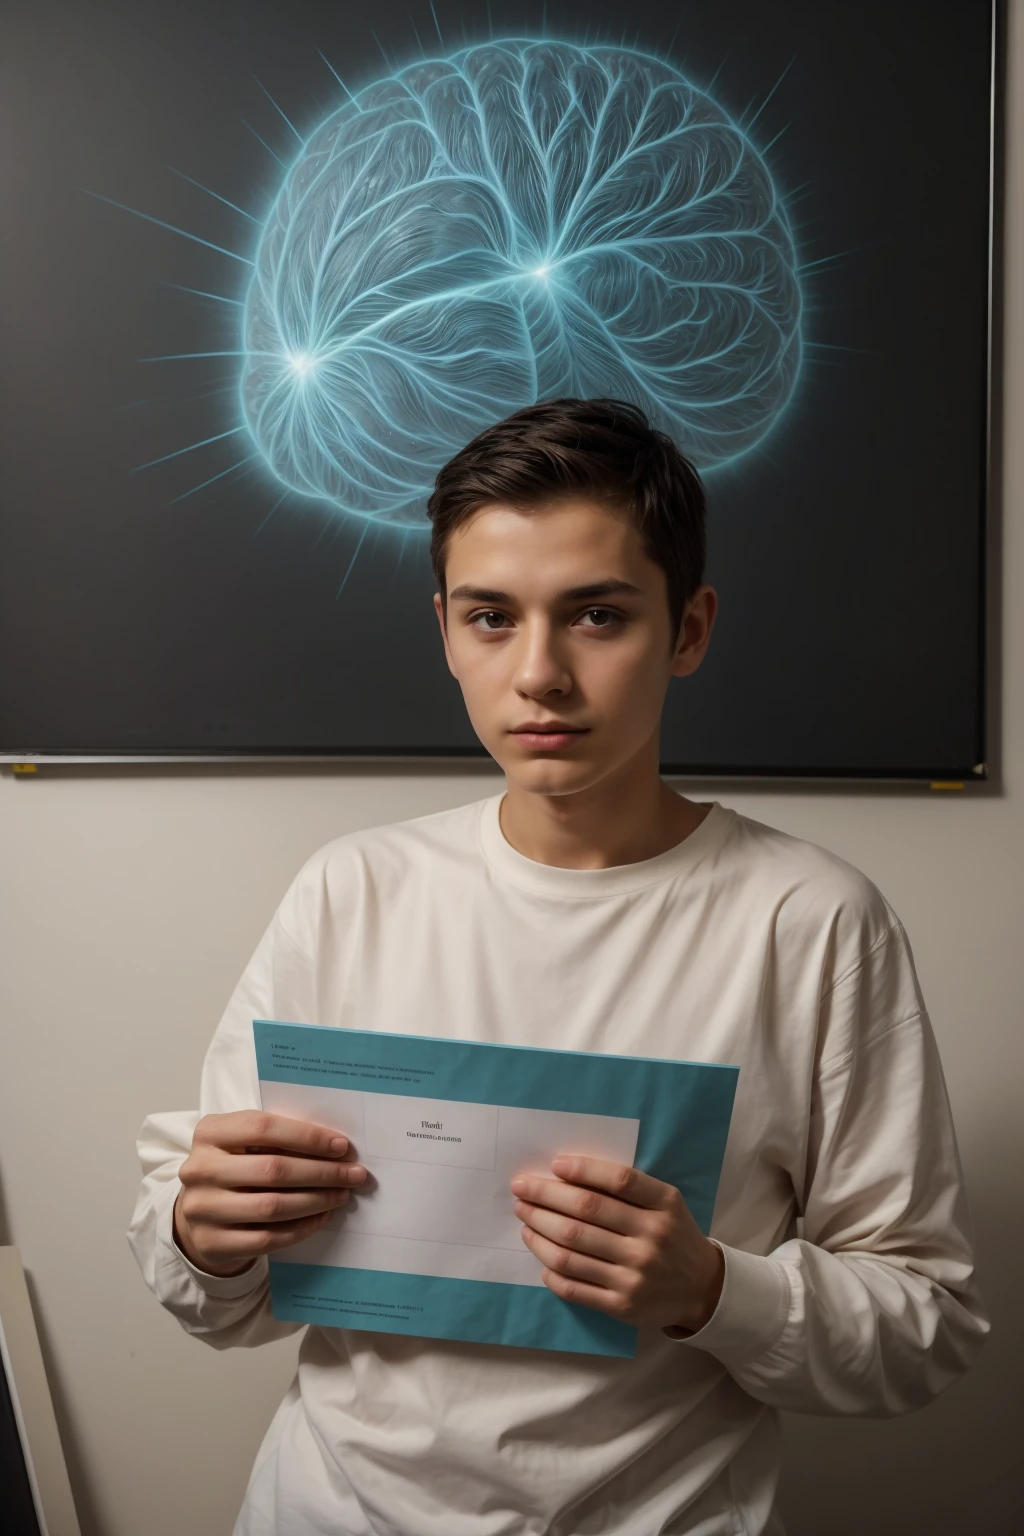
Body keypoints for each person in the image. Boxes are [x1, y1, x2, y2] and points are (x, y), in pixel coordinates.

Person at [127, 396, 989, 1536]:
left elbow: (923, 1327)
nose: (538, 673)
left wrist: (713, 1291)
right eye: (491, 617)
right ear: (444, 629)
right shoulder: (352, 891)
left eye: (594, 615)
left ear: (688, 630)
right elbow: (216, 1303)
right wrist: (203, 1231)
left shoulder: (811, 922)